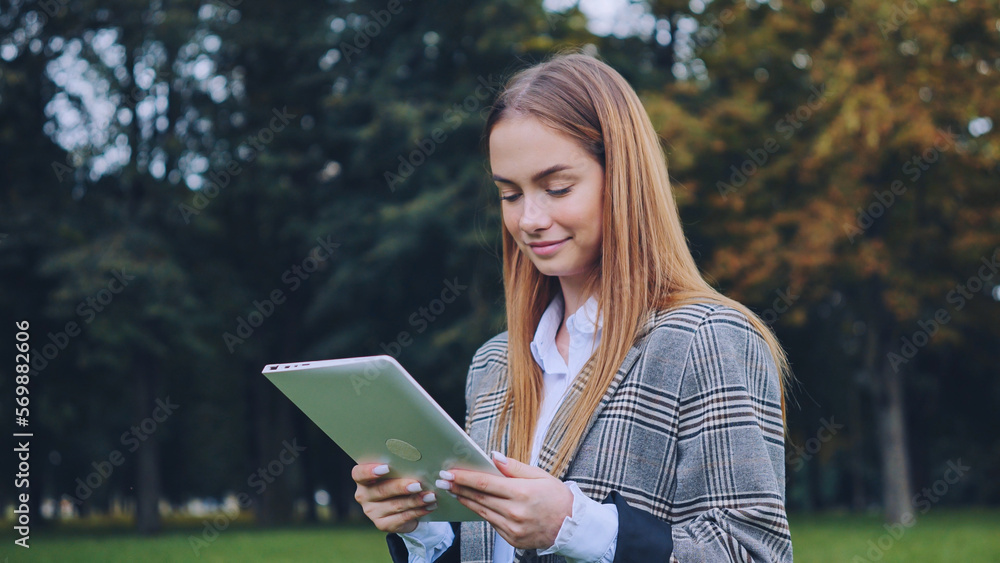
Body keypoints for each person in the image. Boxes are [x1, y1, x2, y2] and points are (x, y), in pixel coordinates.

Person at [352, 48, 794, 562]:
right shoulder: (493, 365)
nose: (529, 219)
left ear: (622, 179)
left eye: (557, 188)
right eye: (510, 194)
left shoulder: (707, 339)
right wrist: (421, 527)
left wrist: (576, 525)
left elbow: (752, 553)